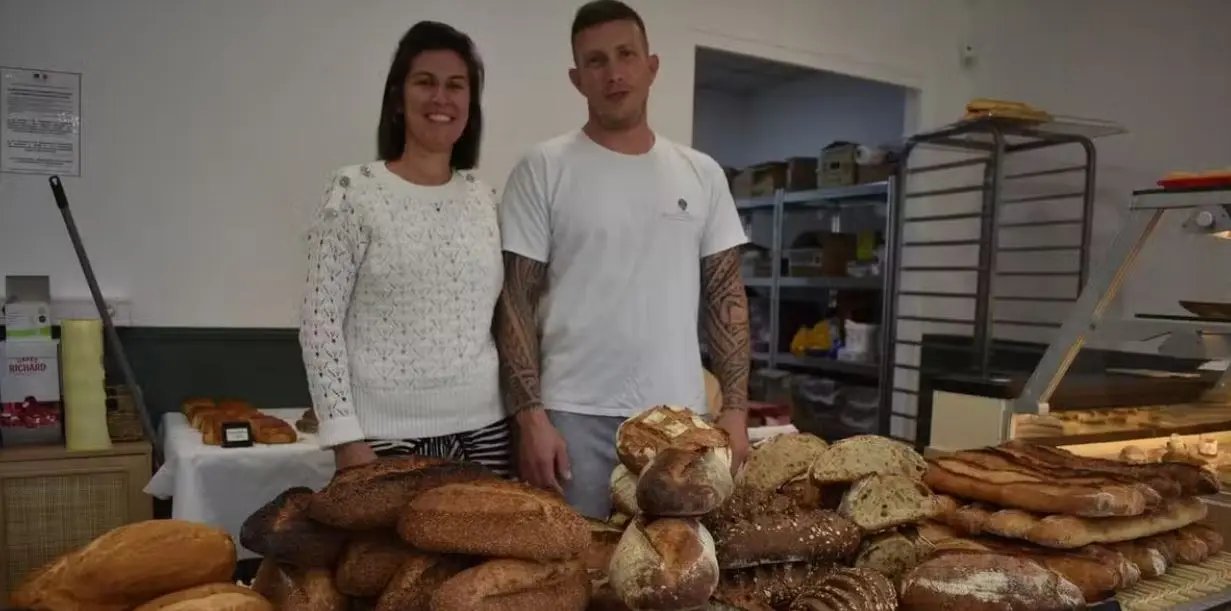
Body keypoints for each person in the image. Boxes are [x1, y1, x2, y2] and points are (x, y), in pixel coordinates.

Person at [495, 0, 751, 518]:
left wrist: (737, 411)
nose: (613, 73)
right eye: (596, 61)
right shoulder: (542, 168)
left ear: (651, 66)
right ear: (577, 78)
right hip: (572, 419)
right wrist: (531, 419)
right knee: (577, 563)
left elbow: (726, 294)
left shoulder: (701, 173)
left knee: (676, 563)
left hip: (681, 423)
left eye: (626, 55)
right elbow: (515, 300)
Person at [299, 21, 511, 476]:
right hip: (382, 438)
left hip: (488, 433)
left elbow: (500, 317)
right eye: (425, 82)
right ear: (398, 99)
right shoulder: (352, 191)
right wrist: (344, 437)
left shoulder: (485, 198)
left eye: (456, 86)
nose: (441, 98)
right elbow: (320, 324)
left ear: (470, 105)